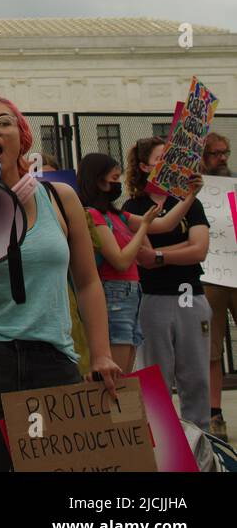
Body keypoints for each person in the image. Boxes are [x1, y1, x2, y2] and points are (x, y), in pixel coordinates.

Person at [0, 95, 118, 472]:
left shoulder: (60, 198)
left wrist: (101, 354)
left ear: (21, 138)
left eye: (3, 122)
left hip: (52, 366)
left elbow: (87, 282)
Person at [122, 136, 212, 429]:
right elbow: (144, 256)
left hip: (190, 295)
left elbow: (199, 249)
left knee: (196, 376)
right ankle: (162, 443)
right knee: (157, 378)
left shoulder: (189, 203)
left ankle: (201, 440)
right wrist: (170, 253)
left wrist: (161, 254)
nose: (169, 165)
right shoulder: (134, 205)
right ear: (146, 166)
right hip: (155, 298)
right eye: (161, 159)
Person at [76, 153, 160, 374]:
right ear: (98, 179)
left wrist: (189, 197)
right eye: (114, 178)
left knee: (128, 371)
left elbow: (165, 223)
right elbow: (121, 260)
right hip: (114, 293)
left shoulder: (117, 215)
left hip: (131, 293)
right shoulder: (93, 215)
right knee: (118, 375)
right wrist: (142, 229)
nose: (117, 183)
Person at [201, 132, 234, 440]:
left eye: (225, 153)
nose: (222, 158)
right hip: (209, 275)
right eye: (215, 153)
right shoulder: (195, 190)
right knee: (211, 350)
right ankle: (215, 414)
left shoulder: (234, 186)